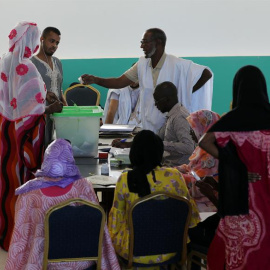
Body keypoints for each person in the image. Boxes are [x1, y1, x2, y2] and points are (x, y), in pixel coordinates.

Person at [5, 139, 121, 270]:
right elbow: (97, 225)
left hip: (46, 263)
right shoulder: (83, 187)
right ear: (70, 159)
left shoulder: (29, 194)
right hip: (83, 262)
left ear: (47, 160)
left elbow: (21, 239)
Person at [199, 65, 270, 270]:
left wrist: (235, 165)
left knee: (240, 245)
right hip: (267, 190)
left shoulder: (233, 119)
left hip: (243, 194)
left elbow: (204, 141)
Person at [0, 21, 62, 251]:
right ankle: (22, 236)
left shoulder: (5, 62)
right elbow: (33, 107)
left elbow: (14, 102)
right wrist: (48, 108)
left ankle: (5, 231)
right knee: (25, 183)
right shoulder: (26, 67)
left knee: (6, 180)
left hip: (6, 130)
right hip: (25, 133)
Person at [81, 28, 213, 133]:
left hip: (170, 122)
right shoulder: (142, 64)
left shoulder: (177, 64)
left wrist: (185, 92)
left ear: (158, 42)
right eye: (141, 42)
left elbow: (207, 73)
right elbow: (119, 82)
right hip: (149, 122)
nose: (142, 46)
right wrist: (95, 79)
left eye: (145, 42)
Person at [108, 130, 200, 267]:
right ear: (160, 152)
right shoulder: (175, 176)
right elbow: (192, 218)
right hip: (172, 249)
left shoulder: (125, 179)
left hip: (134, 251)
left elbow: (115, 223)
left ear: (133, 153)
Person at [176, 109, 220, 212]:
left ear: (204, 129)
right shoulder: (202, 149)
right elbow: (191, 169)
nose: (190, 133)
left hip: (206, 203)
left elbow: (199, 186)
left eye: (193, 129)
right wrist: (174, 169)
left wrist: (173, 176)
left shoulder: (212, 156)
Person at [31, 26, 67, 147]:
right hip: (38, 117)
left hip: (57, 116)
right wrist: (44, 95)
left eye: (57, 43)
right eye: (51, 41)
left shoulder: (58, 62)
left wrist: (67, 111)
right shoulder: (31, 63)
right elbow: (27, 93)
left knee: (54, 149)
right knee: (39, 150)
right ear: (42, 39)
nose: (54, 46)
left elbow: (59, 88)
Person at [153, 81, 195, 166]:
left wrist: (161, 144)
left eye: (157, 101)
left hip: (178, 169)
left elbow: (188, 147)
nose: (155, 104)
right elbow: (158, 137)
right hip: (168, 165)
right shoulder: (172, 114)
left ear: (166, 100)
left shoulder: (179, 117)